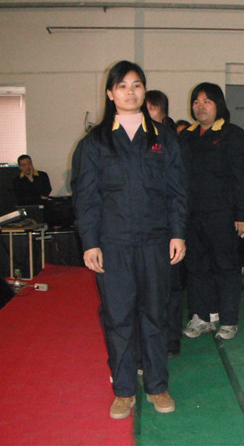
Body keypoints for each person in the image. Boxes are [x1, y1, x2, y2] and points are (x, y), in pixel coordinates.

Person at [71, 60, 187, 419]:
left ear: (144, 90)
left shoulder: (163, 138)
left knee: (155, 316)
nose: (130, 92)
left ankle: (157, 386)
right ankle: (123, 391)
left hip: (155, 242)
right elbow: (86, 197)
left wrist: (178, 233)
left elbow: (177, 190)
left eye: (136, 85)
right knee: (118, 318)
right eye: (122, 86)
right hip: (114, 244)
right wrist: (90, 242)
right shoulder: (95, 142)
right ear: (110, 93)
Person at [180, 82, 244, 341]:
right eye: (196, 101)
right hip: (192, 215)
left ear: (218, 105)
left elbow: (241, 176)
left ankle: (229, 319)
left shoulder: (232, 134)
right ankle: (201, 317)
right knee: (196, 267)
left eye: (207, 101)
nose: (200, 107)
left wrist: (243, 214)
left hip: (222, 214)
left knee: (226, 268)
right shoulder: (186, 136)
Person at [145, 89, 185, 357]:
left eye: (151, 109)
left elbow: (178, 188)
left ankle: (171, 336)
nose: (146, 114)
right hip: (142, 227)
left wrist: (178, 231)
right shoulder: (132, 140)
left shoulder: (170, 141)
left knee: (170, 286)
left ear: (163, 112)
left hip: (168, 225)